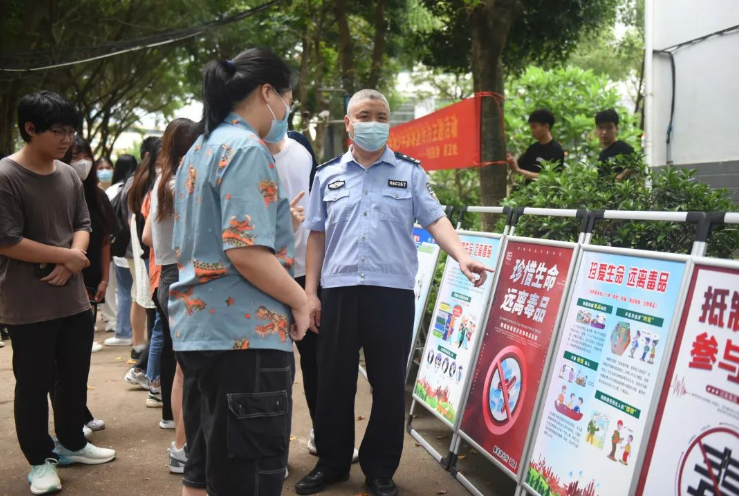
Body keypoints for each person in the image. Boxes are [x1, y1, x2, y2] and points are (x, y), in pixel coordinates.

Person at [298, 89, 491, 497]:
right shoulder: (327, 175)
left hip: (392, 294)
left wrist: (462, 256)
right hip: (339, 292)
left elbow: (435, 219)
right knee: (333, 382)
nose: (373, 123)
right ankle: (332, 463)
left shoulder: (410, 172)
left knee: (388, 386)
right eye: (364, 115)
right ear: (348, 123)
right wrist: (310, 294)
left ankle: (380, 469)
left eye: (380, 116)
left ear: (389, 123)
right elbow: (316, 235)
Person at [171, 48, 310, 496]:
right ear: (268, 93)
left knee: (203, 469)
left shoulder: (200, 148)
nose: (286, 112)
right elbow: (246, 252)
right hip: (244, 338)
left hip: (200, 331)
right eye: (288, 99)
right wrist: (301, 300)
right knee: (248, 479)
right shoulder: (247, 149)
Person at [0, 91, 116, 496]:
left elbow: (83, 223)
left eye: (70, 132)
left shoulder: (67, 175)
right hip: (28, 303)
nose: (67, 140)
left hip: (72, 299)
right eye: (58, 132)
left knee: (74, 376)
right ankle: (40, 461)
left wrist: (73, 259)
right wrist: (66, 256)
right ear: (30, 129)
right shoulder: (6, 176)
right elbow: (7, 240)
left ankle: (71, 442)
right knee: (33, 384)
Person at [265, 129, 361, 464]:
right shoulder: (243, 152)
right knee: (271, 366)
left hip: (307, 274)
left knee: (318, 361)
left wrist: (315, 285)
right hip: (264, 273)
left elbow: (321, 220)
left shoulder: (302, 152)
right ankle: (271, 449)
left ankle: (324, 434)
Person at [143, 117, 200, 470]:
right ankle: (182, 447)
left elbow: (148, 238)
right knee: (190, 371)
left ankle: (183, 445)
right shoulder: (185, 184)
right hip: (185, 276)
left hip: (165, 276)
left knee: (183, 368)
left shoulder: (162, 183)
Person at [62, 137, 116, 353]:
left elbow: (105, 240)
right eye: (75, 157)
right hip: (62, 277)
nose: (83, 162)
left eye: (87, 156)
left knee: (82, 341)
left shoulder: (98, 197)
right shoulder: (57, 194)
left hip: (91, 278)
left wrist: (104, 279)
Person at [104, 154, 138, 344]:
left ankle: (124, 331)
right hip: (138, 249)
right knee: (138, 293)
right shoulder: (140, 185)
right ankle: (138, 335)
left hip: (121, 248)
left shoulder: (113, 190)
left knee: (125, 291)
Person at [506, 109, 565, 183]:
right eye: (530, 127)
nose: (531, 130)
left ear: (546, 127)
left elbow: (550, 178)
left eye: (534, 127)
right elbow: (519, 165)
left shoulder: (556, 150)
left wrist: (518, 170)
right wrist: (511, 162)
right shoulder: (532, 149)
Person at [595, 109, 636, 180]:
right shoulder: (602, 155)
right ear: (596, 130)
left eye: (609, 127)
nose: (604, 132)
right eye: (600, 128)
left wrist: (621, 176)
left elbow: (636, 166)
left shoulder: (623, 148)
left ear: (616, 129)